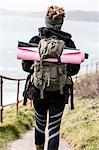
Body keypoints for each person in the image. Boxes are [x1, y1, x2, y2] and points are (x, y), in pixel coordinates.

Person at [22, 5, 80, 150]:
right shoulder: (68, 43)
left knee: (40, 125)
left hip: (38, 91)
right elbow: (74, 70)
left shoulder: (36, 40)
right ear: (61, 23)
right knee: (54, 129)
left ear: (46, 21)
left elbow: (25, 66)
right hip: (59, 93)